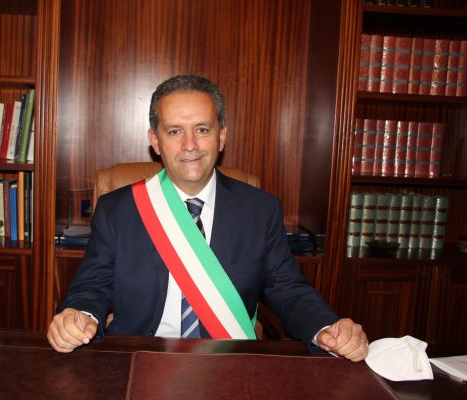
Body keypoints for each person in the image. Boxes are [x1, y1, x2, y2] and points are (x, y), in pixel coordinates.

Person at [48, 75, 369, 362]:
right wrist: (78, 315)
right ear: (155, 141)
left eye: (202, 129)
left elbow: (288, 289)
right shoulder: (117, 210)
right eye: (175, 131)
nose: (190, 145)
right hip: (140, 357)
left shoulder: (260, 210)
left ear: (222, 136)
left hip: (227, 361)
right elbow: (92, 285)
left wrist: (326, 329)